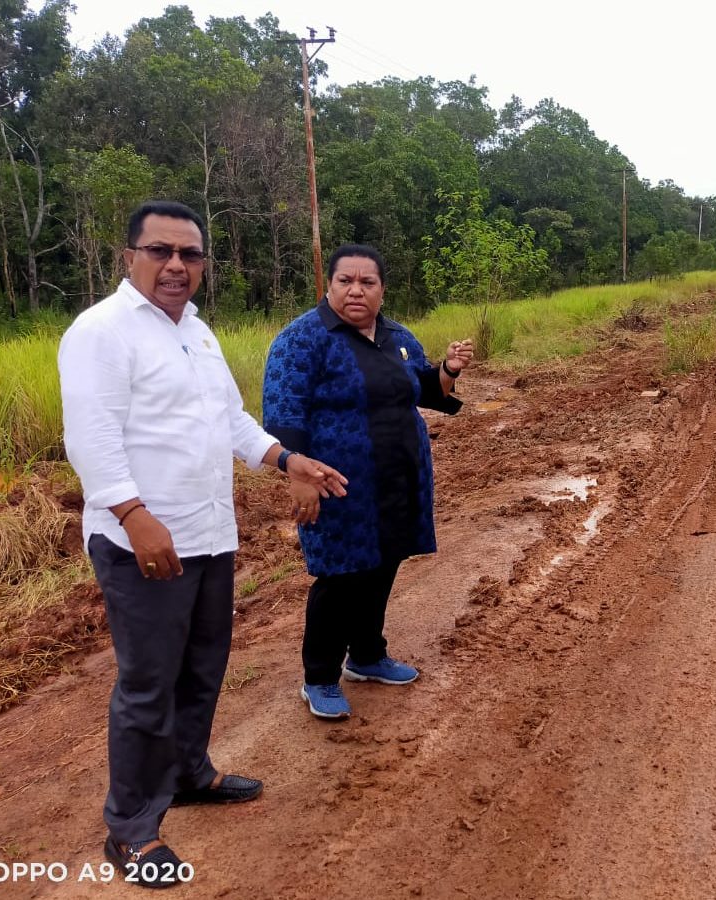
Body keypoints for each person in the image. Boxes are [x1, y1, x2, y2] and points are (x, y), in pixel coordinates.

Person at [58, 200, 348, 887]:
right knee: (148, 682)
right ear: (129, 256)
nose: (177, 266)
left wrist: (287, 460)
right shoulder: (100, 332)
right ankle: (130, 830)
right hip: (143, 542)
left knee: (202, 665)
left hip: (209, 532)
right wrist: (133, 515)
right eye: (161, 251)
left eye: (190, 255)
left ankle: (189, 772)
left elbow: (233, 421)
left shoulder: (196, 331)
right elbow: (90, 439)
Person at [262, 244, 473, 720]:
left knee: (384, 563)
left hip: (399, 473)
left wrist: (448, 370)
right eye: (346, 281)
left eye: (367, 282)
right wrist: (296, 472)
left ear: (381, 288)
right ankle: (320, 676)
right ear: (330, 285)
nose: (356, 290)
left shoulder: (396, 335)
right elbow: (282, 411)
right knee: (340, 575)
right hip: (337, 482)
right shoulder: (303, 339)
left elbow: (423, 388)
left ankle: (367, 656)